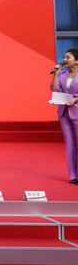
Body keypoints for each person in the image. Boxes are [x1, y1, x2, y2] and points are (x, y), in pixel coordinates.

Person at [52, 48, 78, 184]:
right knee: (70, 145)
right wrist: (55, 74)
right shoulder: (62, 74)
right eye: (64, 57)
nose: (64, 60)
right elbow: (53, 89)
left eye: (68, 57)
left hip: (77, 111)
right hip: (64, 112)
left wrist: (76, 99)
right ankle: (74, 175)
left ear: (77, 61)